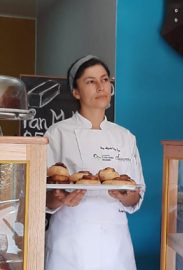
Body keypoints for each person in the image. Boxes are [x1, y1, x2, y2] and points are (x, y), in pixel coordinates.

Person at [44, 55, 145, 270]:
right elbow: (44, 198)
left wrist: (125, 196)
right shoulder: (57, 134)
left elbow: (136, 194)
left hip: (115, 242)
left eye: (105, 79)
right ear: (76, 91)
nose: (101, 87)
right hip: (70, 241)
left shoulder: (126, 137)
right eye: (90, 81)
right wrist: (60, 199)